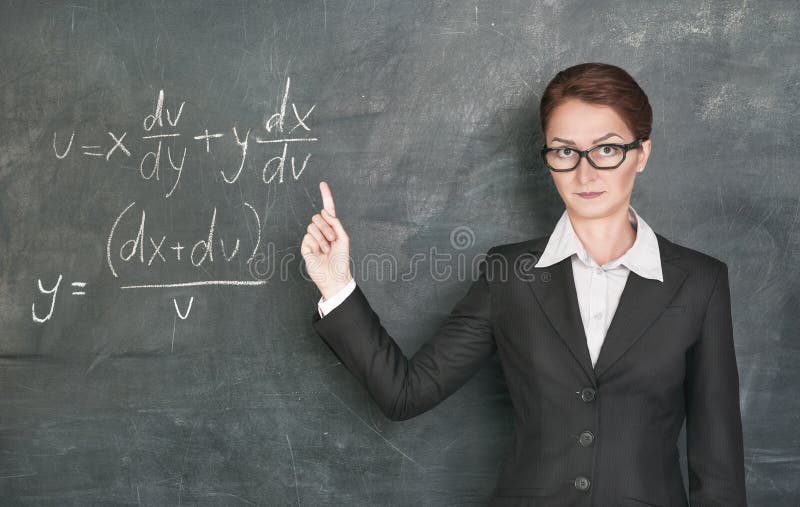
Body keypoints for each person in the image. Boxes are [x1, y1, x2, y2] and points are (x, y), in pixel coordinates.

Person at [300, 62, 747, 507]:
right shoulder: (509, 274)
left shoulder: (700, 282)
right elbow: (405, 394)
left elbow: (718, 468)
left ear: (641, 153)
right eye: (565, 151)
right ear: (548, 158)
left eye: (607, 149)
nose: (585, 174)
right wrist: (337, 285)